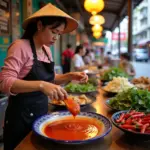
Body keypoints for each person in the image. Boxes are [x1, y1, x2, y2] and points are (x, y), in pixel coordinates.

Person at [0, 3, 88, 150]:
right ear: (40, 25)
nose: (56, 38)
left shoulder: (47, 50)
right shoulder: (20, 46)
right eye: (54, 31)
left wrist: (69, 76)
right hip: (20, 117)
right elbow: (4, 82)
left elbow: (49, 78)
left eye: (59, 34)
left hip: (41, 113)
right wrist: (40, 85)